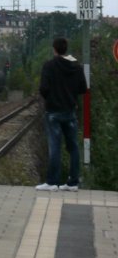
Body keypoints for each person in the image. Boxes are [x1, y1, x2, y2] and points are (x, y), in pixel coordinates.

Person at [35, 37, 88, 192]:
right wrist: (70, 97)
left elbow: (43, 88)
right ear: (66, 49)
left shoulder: (49, 66)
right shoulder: (76, 67)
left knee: (54, 147)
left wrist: (51, 99)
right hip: (70, 112)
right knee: (73, 148)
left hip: (53, 112)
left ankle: (52, 182)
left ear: (55, 49)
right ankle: (73, 183)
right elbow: (83, 88)